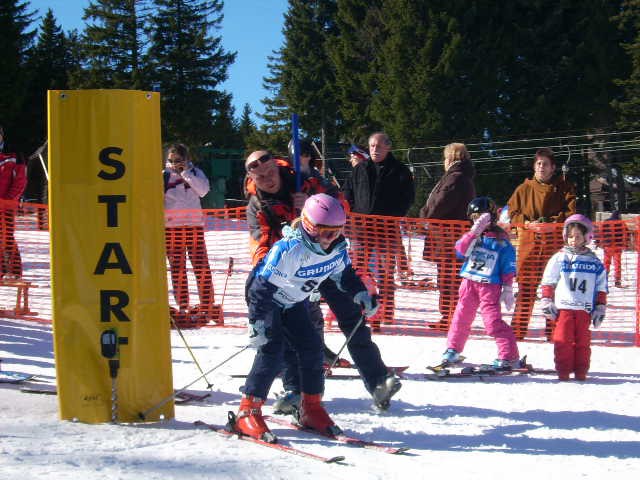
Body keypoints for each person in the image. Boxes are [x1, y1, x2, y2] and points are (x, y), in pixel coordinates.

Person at [244, 149, 400, 414]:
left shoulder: (305, 179)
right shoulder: (257, 204)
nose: (267, 179)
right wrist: (272, 267)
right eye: (260, 176)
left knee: (352, 315)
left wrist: (313, 201)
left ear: (277, 167)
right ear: (251, 177)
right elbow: (259, 242)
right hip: (292, 270)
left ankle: (377, 380)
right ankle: (297, 389)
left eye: (270, 172)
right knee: (298, 332)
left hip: (327, 259)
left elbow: (341, 206)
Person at [231, 194, 384, 442]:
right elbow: (261, 288)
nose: (329, 240)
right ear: (308, 226)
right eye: (324, 233)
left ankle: (310, 407)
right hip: (266, 298)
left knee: (312, 348)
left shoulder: (336, 249)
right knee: (272, 349)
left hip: (293, 301)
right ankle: (247, 410)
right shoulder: (290, 250)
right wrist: (257, 321)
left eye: (335, 233)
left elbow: (344, 275)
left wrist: (361, 294)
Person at [342, 132, 415, 330]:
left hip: (387, 229)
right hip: (361, 230)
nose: (374, 149)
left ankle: (387, 312)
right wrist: (352, 215)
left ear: (388, 147)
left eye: (379, 146)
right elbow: (347, 194)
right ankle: (359, 310)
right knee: (359, 271)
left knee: (385, 273)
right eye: (372, 146)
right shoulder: (360, 169)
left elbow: (407, 198)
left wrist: (393, 216)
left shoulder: (400, 171)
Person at [440, 197, 520, 368]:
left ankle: (509, 355)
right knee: (461, 318)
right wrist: (473, 233)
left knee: (492, 322)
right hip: (469, 283)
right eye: (474, 217)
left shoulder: (501, 242)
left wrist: (507, 288)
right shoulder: (473, 237)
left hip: (489, 287)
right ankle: (453, 349)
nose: (478, 220)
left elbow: (508, 266)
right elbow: (460, 251)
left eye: (481, 217)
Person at [507, 148, 576, 340]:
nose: (541, 167)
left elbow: (571, 214)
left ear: (553, 167)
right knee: (526, 289)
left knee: (553, 289)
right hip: (529, 244)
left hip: (554, 245)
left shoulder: (565, 187)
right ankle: (518, 330)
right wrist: (527, 223)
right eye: (538, 163)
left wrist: (553, 224)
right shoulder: (523, 189)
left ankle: (554, 331)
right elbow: (512, 213)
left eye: (545, 164)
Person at [539, 215, 607, 381]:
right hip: (564, 308)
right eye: (570, 236)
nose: (573, 240)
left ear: (587, 237)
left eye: (577, 236)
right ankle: (563, 371)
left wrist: (600, 306)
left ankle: (581, 371)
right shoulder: (559, 257)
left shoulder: (595, 262)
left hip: (584, 309)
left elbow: (601, 286)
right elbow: (549, 279)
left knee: (583, 342)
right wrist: (546, 299)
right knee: (562, 340)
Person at [419, 143, 476, 332]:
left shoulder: (455, 178)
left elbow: (439, 205)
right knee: (449, 278)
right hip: (451, 236)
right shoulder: (460, 177)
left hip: (448, 237)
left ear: (451, 158)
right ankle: (450, 316)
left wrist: (424, 213)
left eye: (445, 158)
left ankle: (451, 317)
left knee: (448, 279)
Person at [163, 143, 220, 327]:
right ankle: (183, 305)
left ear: (186, 159)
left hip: (193, 225)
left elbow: (203, 191)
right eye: (171, 160)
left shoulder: (196, 173)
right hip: (172, 228)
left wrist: (186, 173)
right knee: (177, 268)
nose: (174, 164)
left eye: (178, 160)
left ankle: (207, 304)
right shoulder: (163, 176)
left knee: (200, 264)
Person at [0, 125, 27, 279]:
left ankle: (14, 272)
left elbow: (20, 182)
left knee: (7, 237)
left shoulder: (14, 156)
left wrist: (8, 201)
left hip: (6, 207)